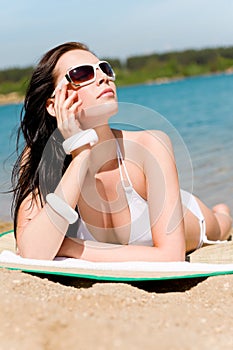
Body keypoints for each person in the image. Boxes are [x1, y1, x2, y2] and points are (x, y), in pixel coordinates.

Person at [11, 41, 232, 261]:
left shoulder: (150, 144)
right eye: (82, 74)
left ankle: (222, 212)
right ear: (53, 105)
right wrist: (80, 157)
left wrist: (71, 246)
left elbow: (171, 256)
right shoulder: (38, 158)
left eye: (104, 68)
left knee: (220, 225)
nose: (103, 77)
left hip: (189, 215)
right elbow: (32, 252)